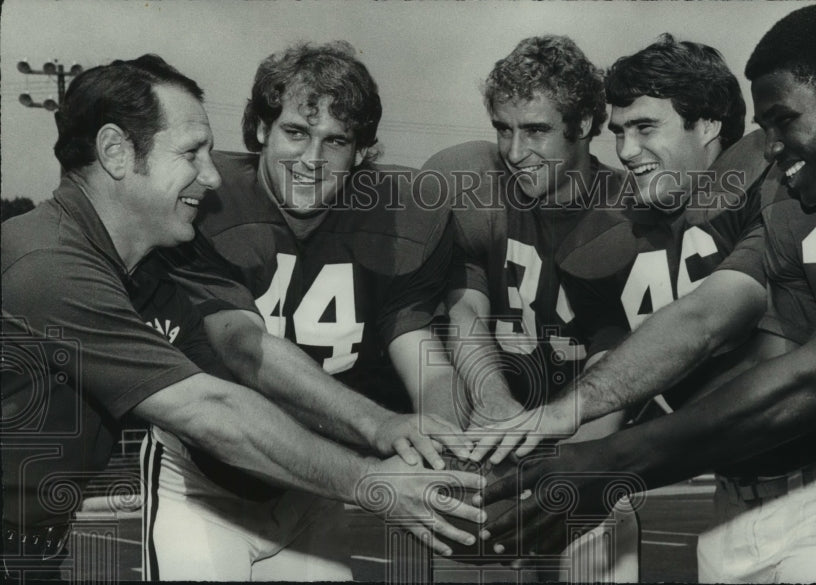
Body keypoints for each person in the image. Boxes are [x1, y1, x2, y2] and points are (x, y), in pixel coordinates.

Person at [479, 4, 816, 579]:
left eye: (645, 128)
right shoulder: (759, 199)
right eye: (619, 132)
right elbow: (679, 342)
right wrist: (562, 428)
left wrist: (612, 462)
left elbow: (812, 369)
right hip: (741, 496)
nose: (625, 152)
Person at [0, 54, 485, 584]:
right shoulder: (48, 266)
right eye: (191, 153)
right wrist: (373, 471)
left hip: (38, 542)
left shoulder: (132, 264)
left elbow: (263, 355)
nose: (211, 175)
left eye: (337, 141)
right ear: (116, 152)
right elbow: (213, 403)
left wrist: (410, 432)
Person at [151, 42, 478, 581]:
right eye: (296, 132)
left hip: (316, 483)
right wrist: (381, 424)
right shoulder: (207, 202)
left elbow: (421, 350)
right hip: (205, 482)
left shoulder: (401, 216)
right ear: (261, 130)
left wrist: (438, 441)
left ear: (361, 151)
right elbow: (242, 347)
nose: (312, 159)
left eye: (336, 141)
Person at [422, 35, 639, 581]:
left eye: (536, 130)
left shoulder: (630, 213)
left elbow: (622, 355)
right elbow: (464, 310)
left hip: (588, 447)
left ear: (585, 123)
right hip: (492, 447)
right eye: (503, 128)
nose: (515, 152)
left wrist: (575, 466)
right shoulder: (478, 188)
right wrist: (494, 402)